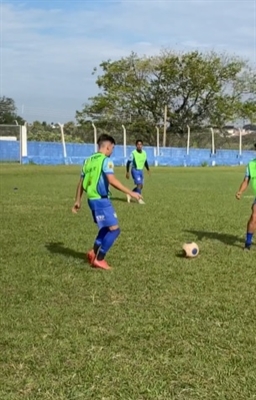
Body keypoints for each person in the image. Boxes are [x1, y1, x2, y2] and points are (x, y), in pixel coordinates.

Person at [72, 134, 142, 270]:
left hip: (91, 200)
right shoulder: (106, 161)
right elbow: (112, 180)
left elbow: (80, 183)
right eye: (113, 148)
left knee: (105, 228)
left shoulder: (88, 160)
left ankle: (93, 252)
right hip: (101, 200)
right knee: (115, 230)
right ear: (108, 147)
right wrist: (130, 192)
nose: (112, 151)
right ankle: (100, 259)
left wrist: (77, 200)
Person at [235, 144, 256, 250]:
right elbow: (246, 180)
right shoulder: (251, 165)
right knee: (254, 216)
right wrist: (240, 191)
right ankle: (248, 244)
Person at [125, 139, 150, 204]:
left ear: (142, 145)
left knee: (141, 186)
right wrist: (127, 172)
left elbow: (145, 161)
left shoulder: (144, 153)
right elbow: (128, 163)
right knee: (139, 184)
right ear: (136, 145)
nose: (139, 146)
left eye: (140, 144)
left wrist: (148, 169)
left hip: (141, 171)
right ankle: (139, 199)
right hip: (134, 170)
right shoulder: (133, 153)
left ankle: (130, 194)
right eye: (138, 145)